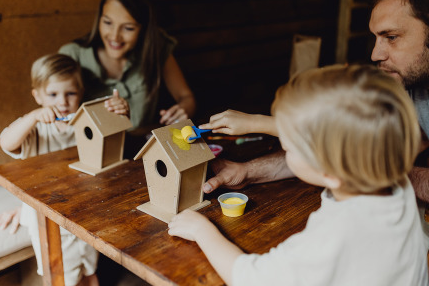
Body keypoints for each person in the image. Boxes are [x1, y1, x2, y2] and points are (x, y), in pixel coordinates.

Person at [169, 64, 428, 286]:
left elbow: (251, 279)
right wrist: (259, 123)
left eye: (290, 145)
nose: (283, 146)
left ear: (330, 170)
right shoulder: (395, 181)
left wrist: (203, 230)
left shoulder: (333, 236)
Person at [200, 0, 429, 203]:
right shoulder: (406, 85)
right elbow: (335, 146)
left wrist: (261, 123)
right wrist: (247, 172)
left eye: (391, 37)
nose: (375, 54)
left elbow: (345, 148)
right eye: (376, 38)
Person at [0, 54, 100, 286]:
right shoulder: (35, 129)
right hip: (48, 215)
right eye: (53, 95)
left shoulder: (84, 124)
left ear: (80, 93)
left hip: (81, 208)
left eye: (70, 93)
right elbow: (6, 142)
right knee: (62, 274)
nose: (62, 101)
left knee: (89, 267)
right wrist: (33, 117)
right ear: (38, 96)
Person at [59, 0, 196, 129]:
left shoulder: (157, 47)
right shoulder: (72, 55)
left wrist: (183, 110)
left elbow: (186, 98)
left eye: (128, 28)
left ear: (143, 29)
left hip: (141, 145)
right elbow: (58, 116)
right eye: (107, 22)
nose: (115, 36)